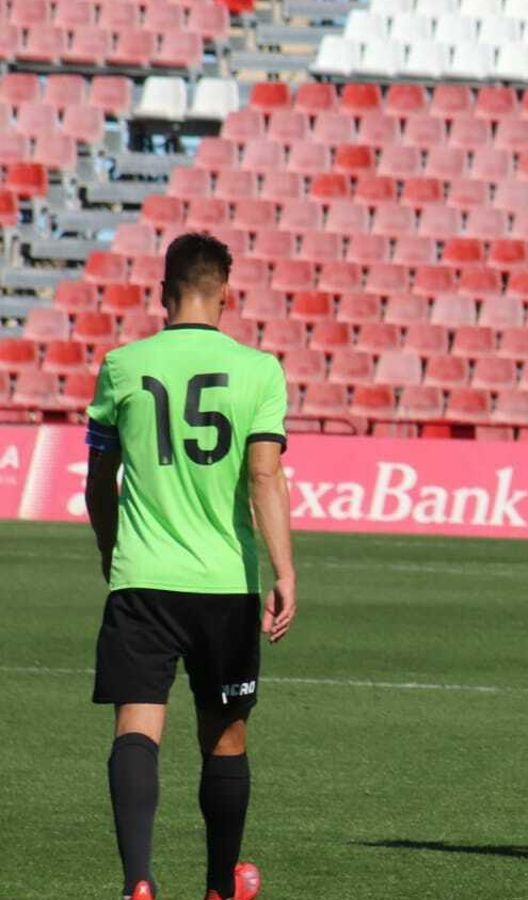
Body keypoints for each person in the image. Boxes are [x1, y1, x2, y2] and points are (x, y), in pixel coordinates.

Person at [85, 233, 296, 900]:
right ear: (226, 295)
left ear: (162, 294)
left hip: (142, 579)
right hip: (225, 586)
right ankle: (217, 886)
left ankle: (139, 883)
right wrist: (284, 571)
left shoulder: (121, 365)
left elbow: (99, 479)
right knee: (225, 737)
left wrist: (109, 547)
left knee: (137, 730)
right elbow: (265, 478)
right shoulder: (260, 370)